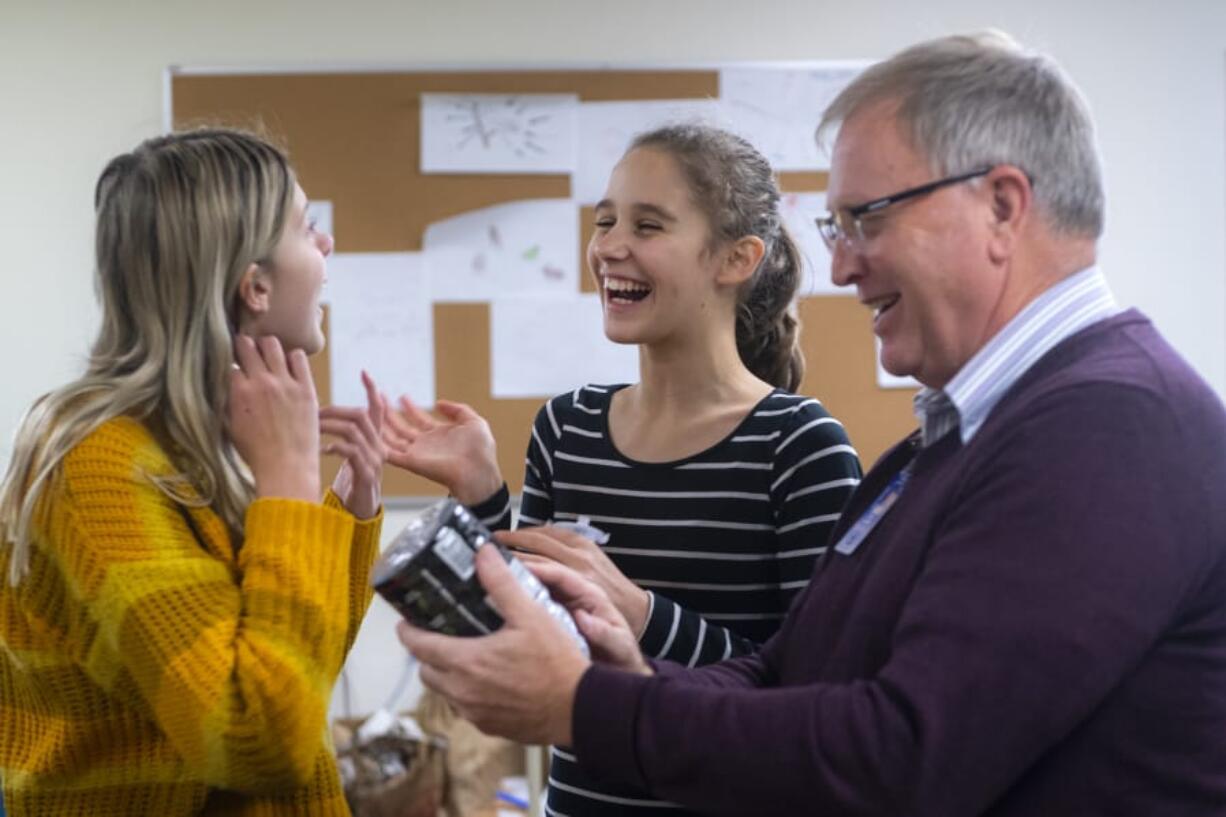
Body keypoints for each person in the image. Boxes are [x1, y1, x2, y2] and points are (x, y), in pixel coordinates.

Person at [396, 31, 1226, 816]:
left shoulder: (1108, 425)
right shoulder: (954, 439)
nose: (838, 264)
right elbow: (793, 671)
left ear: (1003, 207)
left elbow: (905, 755)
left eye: (869, 217)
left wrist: (592, 708)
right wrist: (626, 672)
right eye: (836, 226)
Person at [381, 123, 862, 815]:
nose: (608, 246)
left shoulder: (800, 445)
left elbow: (816, 694)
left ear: (736, 258)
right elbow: (524, 641)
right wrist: (482, 499)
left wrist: (636, 613)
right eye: (604, 220)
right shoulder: (567, 426)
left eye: (648, 224)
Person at [0, 129, 386, 815]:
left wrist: (346, 515)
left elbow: (299, 670)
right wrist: (290, 489)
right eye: (307, 227)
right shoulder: (96, 466)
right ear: (255, 285)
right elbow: (260, 738)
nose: (326, 248)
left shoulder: (197, 446)